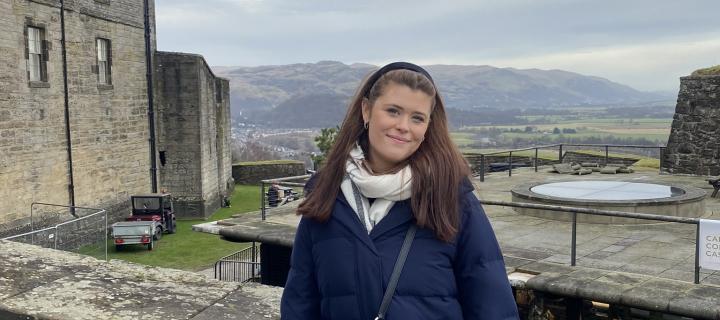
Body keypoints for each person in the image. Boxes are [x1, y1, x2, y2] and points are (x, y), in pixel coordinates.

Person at [280, 62, 519, 320]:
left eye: (417, 118)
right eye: (393, 111)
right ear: (366, 110)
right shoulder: (325, 195)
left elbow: (493, 305)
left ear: (428, 126)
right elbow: (300, 301)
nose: (404, 126)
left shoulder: (452, 198)